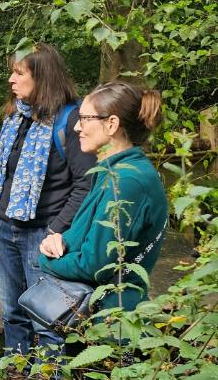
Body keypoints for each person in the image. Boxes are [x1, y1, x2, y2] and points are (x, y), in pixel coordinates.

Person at [0, 44, 95, 380]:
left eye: (19, 73)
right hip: (3, 225)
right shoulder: (16, 113)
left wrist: (56, 229)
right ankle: (16, 371)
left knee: (47, 312)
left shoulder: (69, 120)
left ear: (42, 77)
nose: (11, 79)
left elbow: (85, 184)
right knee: (12, 308)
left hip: (41, 232)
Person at [37, 81, 167, 316]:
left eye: (85, 118)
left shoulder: (127, 182)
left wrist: (44, 261)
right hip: (96, 313)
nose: (77, 127)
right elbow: (82, 238)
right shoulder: (112, 172)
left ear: (111, 124)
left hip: (114, 325)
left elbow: (94, 266)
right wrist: (56, 241)